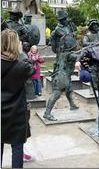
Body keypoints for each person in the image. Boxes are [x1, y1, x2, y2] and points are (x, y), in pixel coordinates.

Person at [1, 29, 35, 168]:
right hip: (16, 113)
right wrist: (21, 53)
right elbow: (31, 69)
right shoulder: (21, 65)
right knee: (17, 147)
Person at [43, 10, 79, 121]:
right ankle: (47, 112)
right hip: (63, 59)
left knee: (68, 86)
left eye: (65, 19)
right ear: (60, 20)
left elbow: (74, 38)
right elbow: (54, 48)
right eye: (63, 19)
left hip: (70, 58)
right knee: (58, 89)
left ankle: (72, 104)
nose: (65, 21)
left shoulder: (70, 27)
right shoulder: (56, 31)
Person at [83, 19, 99, 95]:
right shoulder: (88, 35)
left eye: (96, 25)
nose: (95, 26)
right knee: (92, 72)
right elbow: (85, 43)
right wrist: (95, 43)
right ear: (91, 26)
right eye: (93, 25)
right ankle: (92, 88)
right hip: (92, 56)